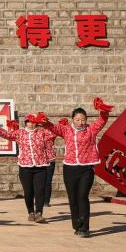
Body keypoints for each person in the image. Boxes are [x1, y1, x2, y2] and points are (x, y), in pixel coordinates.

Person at [42, 98, 113, 237]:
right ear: (73, 120)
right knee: (73, 198)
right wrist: (44, 122)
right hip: (70, 169)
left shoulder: (91, 129)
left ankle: (85, 228)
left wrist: (104, 111)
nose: (81, 122)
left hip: (86, 169)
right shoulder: (66, 130)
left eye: (83, 119)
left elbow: (102, 120)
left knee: (82, 197)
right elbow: (53, 127)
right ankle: (77, 224)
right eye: (78, 120)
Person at [0, 113, 54, 223]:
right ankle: (31, 212)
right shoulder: (20, 133)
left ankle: (39, 213)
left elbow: (53, 133)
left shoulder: (42, 132)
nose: (32, 124)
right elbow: (7, 135)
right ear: (26, 123)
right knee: (28, 192)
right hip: (25, 167)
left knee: (40, 191)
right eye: (29, 122)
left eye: (34, 122)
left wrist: (46, 122)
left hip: (41, 165)